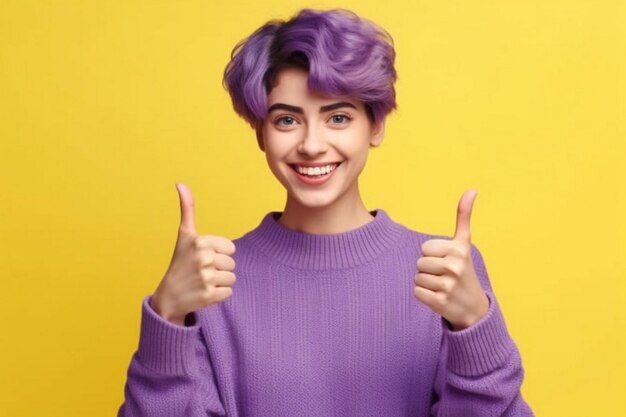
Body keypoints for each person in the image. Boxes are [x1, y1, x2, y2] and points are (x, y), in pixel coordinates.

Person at [118, 8, 534, 417]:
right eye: (286, 120)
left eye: (337, 117)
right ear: (260, 132)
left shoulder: (443, 271)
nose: (312, 144)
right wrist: (166, 318)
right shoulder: (212, 279)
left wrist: (477, 328)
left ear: (376, 126)